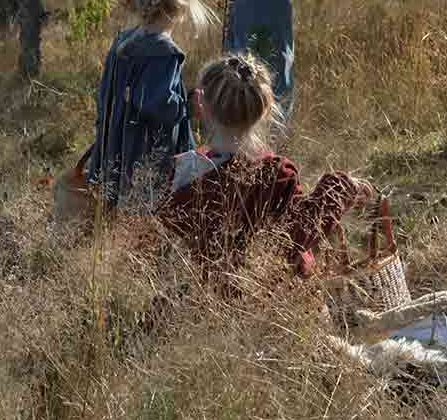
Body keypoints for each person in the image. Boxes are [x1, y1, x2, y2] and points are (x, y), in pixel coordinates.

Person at [157, 53, 376, 282]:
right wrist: (340, 187)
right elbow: (299, 234)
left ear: (201, 103)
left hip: (202, 298)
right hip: (272, 298)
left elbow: (165, 247)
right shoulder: (275, 174)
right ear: (267, 108)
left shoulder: (183, 170)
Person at [87, 0, 216, 211]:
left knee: (117, 215)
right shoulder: (163, 52)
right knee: (148, 219)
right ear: (181, 5)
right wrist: (189, 106)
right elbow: (159, 106)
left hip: (115, 149)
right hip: (145, 160)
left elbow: (106, 96)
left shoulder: (122, 42)